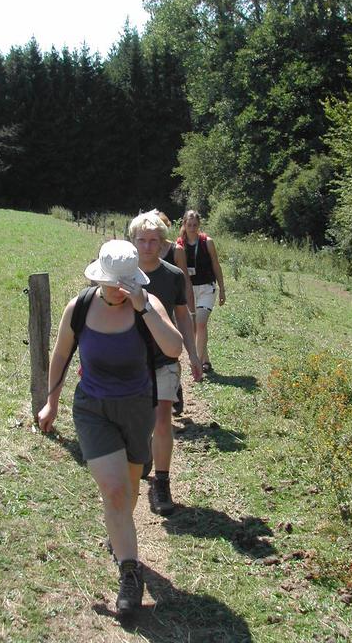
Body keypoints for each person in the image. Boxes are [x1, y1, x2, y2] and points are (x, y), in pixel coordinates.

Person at [37, 240, 182, 618]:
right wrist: (51, 401)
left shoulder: (147, 306)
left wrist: (143, 307)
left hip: (136, 408)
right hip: (92, 409)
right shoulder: (81, 307)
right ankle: (130, 575)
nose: (117, 289)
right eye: (111, 283)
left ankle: (120, 533)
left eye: (124, 284)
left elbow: (173, 348)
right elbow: (61, 353)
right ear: (98, 278)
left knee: (130, 489)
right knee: (115, 491)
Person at [128, 211, 203, 516]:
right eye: (142, 241)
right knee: (139, 421)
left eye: (153, 241)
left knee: (162, 420)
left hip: (164, 358)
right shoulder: (123, 275)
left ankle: (162, 483)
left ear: (163, 243)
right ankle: (143, 454)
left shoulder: (173, 275)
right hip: (130, 361)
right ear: (132, 242)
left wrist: (193, 354)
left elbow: (182, 316)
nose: (147, 247)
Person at [154, 209, 195, 416]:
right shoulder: (140, 251)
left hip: (170, 311)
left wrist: (190, 308)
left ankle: (175, 390)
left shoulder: (176, 251)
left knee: (169, 353)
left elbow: (185, 281)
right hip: (147, 312)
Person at [176, 210, 226, 373]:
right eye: (189, 225)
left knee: (201, 323)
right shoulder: (179, 244)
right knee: (194, 328)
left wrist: (222, 289)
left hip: (206, 288)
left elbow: (216, 265)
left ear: (199, 225)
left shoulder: (207, 242)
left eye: (195, 225)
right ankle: (206, 361)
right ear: (184, 224)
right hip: (188, 290)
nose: (192, 228)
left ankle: (195, 362)